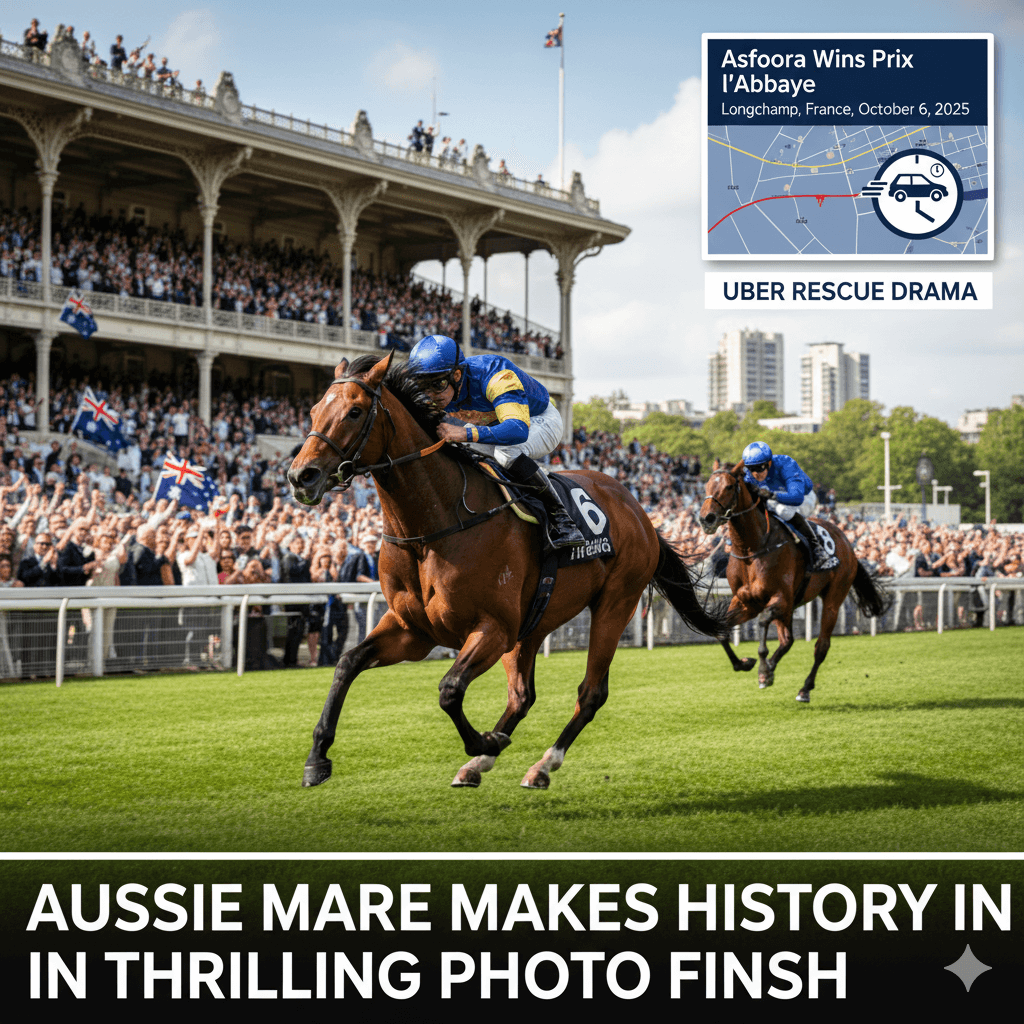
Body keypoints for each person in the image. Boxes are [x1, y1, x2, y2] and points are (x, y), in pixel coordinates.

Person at [406, 334, 584, 549]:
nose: (430, 395)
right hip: (496, 426)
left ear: (457, 374)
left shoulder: (496, 375)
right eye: (422, 386)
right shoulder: (437, 391)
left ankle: (562, 520)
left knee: (504, 452)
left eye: (437, 385)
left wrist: (466, 434)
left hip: (538, 421)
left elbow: (517, 430)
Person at [740, 441, 838, 571]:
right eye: (751, 469)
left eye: (759, 468)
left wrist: (772, 495)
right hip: (775, 497)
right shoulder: (750, 475)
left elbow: (797, 498)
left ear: (769, 463)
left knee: (783, 510)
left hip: (805, 497)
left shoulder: (786, 464)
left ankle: (818, 548)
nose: (755, 473)